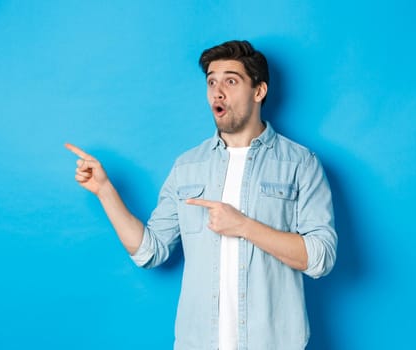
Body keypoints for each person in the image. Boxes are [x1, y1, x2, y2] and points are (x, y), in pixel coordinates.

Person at [66, 40, 337, 350]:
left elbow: (321, 257)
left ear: (259, 91)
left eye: (231, 81)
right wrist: (105, 191)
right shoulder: (187, 167)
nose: (217, 92)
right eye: (211, 82)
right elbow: (149, 252)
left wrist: (243, 226)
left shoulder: (301, 164)